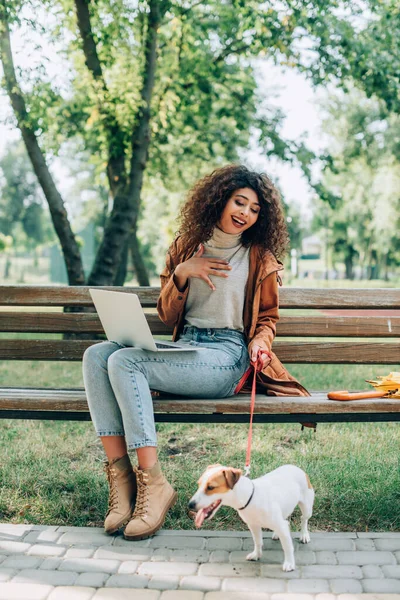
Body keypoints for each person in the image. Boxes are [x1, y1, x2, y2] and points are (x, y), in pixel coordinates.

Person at [82, 164, 308, 542]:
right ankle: (122, 482)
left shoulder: (258, 257)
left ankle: (153, 485)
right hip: (187, 345)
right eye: (239, 202)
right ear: (219, 200)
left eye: (255, 209)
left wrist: (259, 342)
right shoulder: (187, 246)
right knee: (97, 356)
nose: (245, 214)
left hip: (227, 356)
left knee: (126, 360)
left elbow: (267, 317)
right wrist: (183, 272)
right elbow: (167, 313)